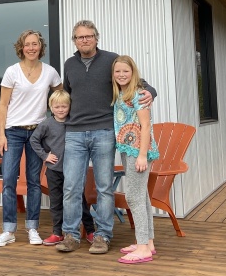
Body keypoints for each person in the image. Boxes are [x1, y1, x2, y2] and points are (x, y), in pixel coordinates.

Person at [56, 20, 156, 254]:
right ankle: (70, 235)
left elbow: (137, 81)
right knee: (71, 186)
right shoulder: (69, 64)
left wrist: (150, 92)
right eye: (80, 37)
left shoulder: (112, 59)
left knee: (104, 187)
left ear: (96, 38)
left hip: (104, 132)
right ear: (74, 40)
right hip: (75, 133)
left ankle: (102, 236)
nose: (84, 40)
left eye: (89, 36)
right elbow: (67, 97)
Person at [0, 29, 62, 247]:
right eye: (27, 44)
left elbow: (61, 97)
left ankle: (32, 228)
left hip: (38, 134)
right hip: (13, 131)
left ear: (41, 47)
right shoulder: (12, 72)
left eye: (35, 44)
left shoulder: (50, 72)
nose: (31, 48)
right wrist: (1, 134)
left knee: (33, 182)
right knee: (9, 181)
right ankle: (8, 230)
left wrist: (54, 121)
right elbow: (3, 105)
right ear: (21, 48)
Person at [29, 89, 95, 245]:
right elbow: (34, 140)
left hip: (74, 169)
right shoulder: (46, 124)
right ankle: (57, 233)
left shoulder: (74, 122)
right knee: (56, 202)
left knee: (79, 200)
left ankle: (90, 230)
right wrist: (45, 156)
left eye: (64, 106)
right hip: (54, 170)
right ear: (51, 107)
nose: (61, 110)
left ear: (70, 107)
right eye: (57, 107)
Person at [112, 55, 159, 264]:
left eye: (126, 71)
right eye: (117, 72)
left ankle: (142, 249)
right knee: (143, 196)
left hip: (138, 151)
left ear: (133, 73)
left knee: (133, 197)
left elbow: (146, 126)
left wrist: (141, 155)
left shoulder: (139, 95)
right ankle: (147, 242)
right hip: (127, 148)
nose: (121, 75)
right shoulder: (120, 94)